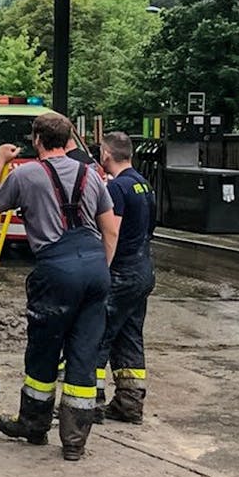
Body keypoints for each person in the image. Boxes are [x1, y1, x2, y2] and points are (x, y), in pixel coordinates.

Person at [0, 113, 120, 460]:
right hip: (94, 268)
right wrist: (100, 269)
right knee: (84, 354)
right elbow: (111, 228)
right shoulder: (92, 174)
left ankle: (34, 424)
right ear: (69, 138)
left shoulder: (26, 175)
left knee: (44, 348)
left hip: (55, 270)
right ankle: (74, 442)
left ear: (37, 139)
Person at [95, 131, 156, 423]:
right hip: (143, 272)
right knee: (129, 336)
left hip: (120, 274)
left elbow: (112, 231)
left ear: (106, 154)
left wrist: (103, 270)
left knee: (96, 334)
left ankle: (89, 403)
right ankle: (130, 404)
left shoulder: (117, 189)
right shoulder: (144, 185)